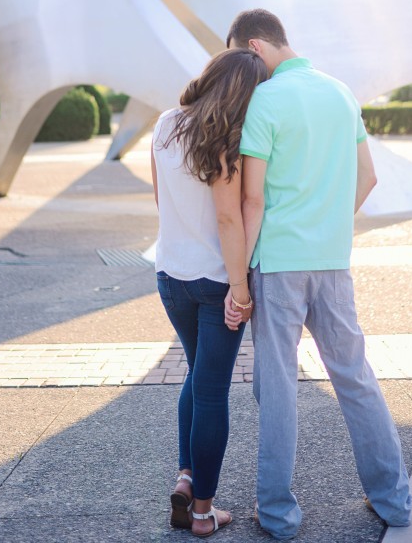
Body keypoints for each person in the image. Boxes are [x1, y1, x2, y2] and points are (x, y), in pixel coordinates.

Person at [225, 9, 412, 540]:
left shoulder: (264, 101)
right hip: (333, 262)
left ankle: (279, 515)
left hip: (279, 264)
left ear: (256, 47)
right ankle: (393, 501)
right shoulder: (340, 93)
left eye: (242, 57)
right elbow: (368, 177)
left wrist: (241, 272)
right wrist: (329, 225)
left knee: (278, 386)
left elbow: (254, 198)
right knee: (355, 377)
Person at [151, 47, 268, 537]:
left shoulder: (164, 124)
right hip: (214, 280)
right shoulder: (225, 139)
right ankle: (203, 513)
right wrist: (239, 289)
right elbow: (227, 217)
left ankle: (186, 478)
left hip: (169, 275)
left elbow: (160, 198)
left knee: (197, 376)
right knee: (213, 391)